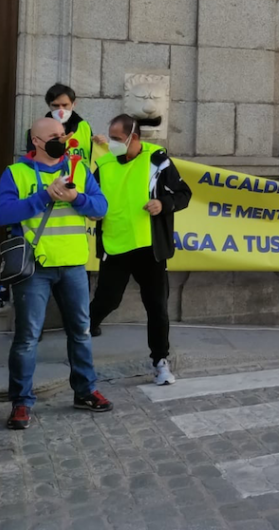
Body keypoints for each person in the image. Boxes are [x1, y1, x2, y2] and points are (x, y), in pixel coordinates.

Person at [0, 117, 113, 430]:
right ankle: (21, 402)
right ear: (35, 141)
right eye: (53, 136)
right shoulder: (16, 173)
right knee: (27, 338)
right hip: (35, 268)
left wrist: (77, 198)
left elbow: (101, 208)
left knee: (81, 332)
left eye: (62, 135)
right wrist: (44, 196)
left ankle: (85, 391)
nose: (61, 140)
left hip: (73, 264)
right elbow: (1, 214)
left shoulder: (77, 169)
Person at [89, 114, 192, 387]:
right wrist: (92, 212)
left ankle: (160, 361)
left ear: (133, 138)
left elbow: (184, 194)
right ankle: (83, 331)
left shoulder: (157, 161)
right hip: (115, 245)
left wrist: (163, 204)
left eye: (116, 138)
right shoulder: (104, 164)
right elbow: (93, 198)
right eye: (110, 137)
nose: (111, 143)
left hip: (149, 248)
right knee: (107, 300)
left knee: (157, 306)